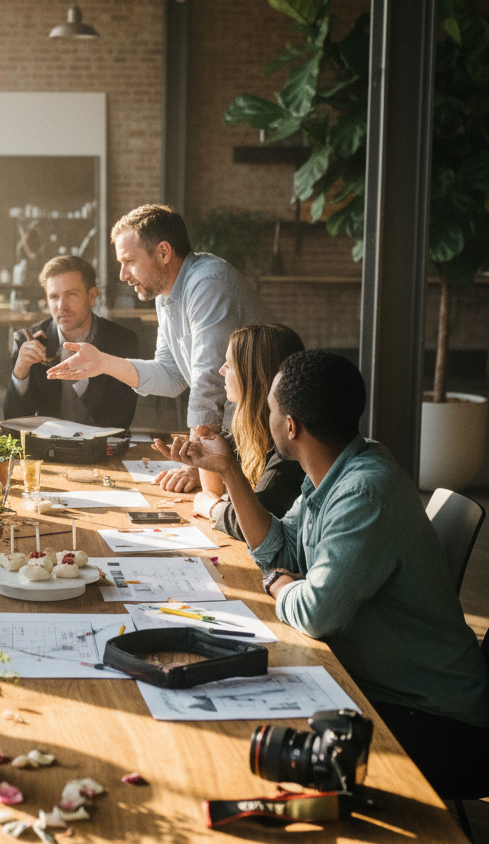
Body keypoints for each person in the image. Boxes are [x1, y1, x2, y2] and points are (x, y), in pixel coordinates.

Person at [167, 349, 489, 797]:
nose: (266, 416)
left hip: (434, 720)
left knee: (246, 734)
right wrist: (228, 471)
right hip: (380, 687)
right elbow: (281, 545)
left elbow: (314, 611)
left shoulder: (364, 492)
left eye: (272, 409)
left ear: (292, 426)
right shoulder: (332, 472)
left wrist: (279, 581)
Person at [48, 203, 272, 490]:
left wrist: (197, 461)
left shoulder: (207, 284)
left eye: (129, 261)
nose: (122, 275)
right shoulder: (165, 295)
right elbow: (172, 375)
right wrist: (102, 362)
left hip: (265, 435)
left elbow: (209, 382)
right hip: (236, 434)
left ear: (164, 252)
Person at [187, 324, 305, 540]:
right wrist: (203, 441)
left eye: (229, 365)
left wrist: (211, 507)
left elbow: (253, 523)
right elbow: (212, 486)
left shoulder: (289, 449)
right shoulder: (249, 432)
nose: (221, 370)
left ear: (253, 377)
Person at [4, 255, 139, 429]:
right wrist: (20, 374)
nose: (61, 306)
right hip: (47, 449)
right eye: (54, 297)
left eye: (71, 295)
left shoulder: (122, 341)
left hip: (100, 450)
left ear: (91, 296)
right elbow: (13, 422)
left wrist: (82, 375)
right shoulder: (28, 340)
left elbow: (120, 420)